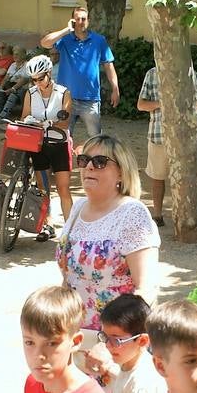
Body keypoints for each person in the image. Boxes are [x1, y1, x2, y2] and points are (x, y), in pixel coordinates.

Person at [56, 134, 161, 331]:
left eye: (100, 161)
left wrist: (114, 340)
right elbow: (69, 280)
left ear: (121, 172)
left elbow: (146, 290)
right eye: (84, 160)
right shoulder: (78, 207)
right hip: (75, 335)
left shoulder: (132, 214)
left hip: (116, 343)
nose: (89, 166)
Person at [136, 61, 197, 228]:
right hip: (158, 135)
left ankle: (183, 216)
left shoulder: (190, 73)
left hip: (183, 137)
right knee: (157, 177)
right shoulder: (152, 73)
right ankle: (157, 215)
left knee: (183, 179)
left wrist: (183, 107)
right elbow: (141, 105)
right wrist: (164, 104)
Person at [19, 54, 76, 240]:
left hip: (59, 144)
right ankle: (47, 225)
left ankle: (69, 230)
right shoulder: (30, 93)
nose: (37, 83)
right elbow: (24, 117)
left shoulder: (63, 93)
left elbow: (65, 121)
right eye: (33, 79)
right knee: (43, 188)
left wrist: (48, 123)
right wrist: (30, 122)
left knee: (63, 188)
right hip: (38, 145)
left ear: (49, 73)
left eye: (41, 78)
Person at [41, 6, 119, 139]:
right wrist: (66, 30)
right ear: (73, 21)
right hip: (66, 98)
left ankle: (94, 160)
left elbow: (108, 65)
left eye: (83, 19)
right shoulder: (65, 40)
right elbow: (45, 43)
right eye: (77, 19)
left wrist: (115, 89)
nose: (81, 21)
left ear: (88, 20)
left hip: (91, 99)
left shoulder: (99, 40)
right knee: (61, 137)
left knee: (95, 139)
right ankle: (64, 161)